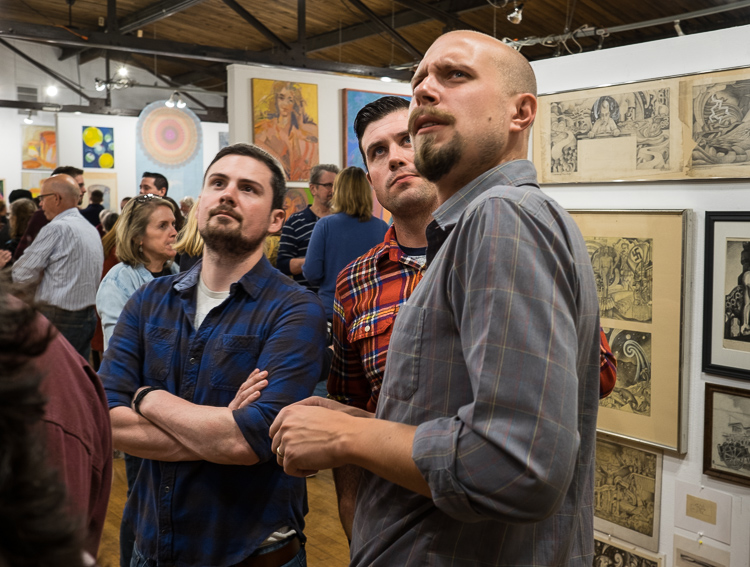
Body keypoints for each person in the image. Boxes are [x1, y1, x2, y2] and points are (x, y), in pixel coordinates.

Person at [270, 31, 601, 566]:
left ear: (520, 112)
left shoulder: (502, 216)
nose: (424, 90)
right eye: (419, 79)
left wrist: (351, 434)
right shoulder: (475, 227)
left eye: (455, 75)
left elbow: (515, 467)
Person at [99, 143, 327, 567]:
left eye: (248, 188)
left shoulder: (296, 309)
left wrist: (148, 398)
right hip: (150, 548)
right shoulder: (149, 301)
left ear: (277, 219)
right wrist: (222, 428)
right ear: (200, 202)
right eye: (217, 183)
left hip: (251, 552)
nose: (227, 194)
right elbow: (105, 419)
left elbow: (250, 440)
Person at [12, 174, 103, 359]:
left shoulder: (56, 228)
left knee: (52, 379)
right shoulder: (89, 228)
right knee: (76, 377)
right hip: (87, 316)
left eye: (42, 198)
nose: (40, 205)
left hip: (58, 317)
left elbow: (20, 274)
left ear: (56, 198)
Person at [302, 166, 388, 322]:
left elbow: (312, 273)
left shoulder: (325, 225)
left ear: (338, 191)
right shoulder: (383, 228)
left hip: (332, 311)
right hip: (370, 312)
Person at [97, 194, 179, 350]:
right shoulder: (118, 283)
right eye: (163, 225)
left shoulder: (177, 273)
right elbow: (119, 353)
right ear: (137, 236)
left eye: (173, 224)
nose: (174, 232)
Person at [277, 163, 339, 290]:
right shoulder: (295, 222)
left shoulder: (342, 221)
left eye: (336, 186)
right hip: (307, 299)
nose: (333, 190)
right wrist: (316, 261)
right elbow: (283, 265)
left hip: (339, 299)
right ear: (313, 189)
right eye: (328, 185)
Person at [13, 166, 86, 260]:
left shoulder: (80, 214)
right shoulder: (43, 216)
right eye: (80, 185)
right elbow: (22, 256)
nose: (84, 190)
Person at [254, 81, 319, 181]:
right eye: (281, 98)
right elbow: (253, 145)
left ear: (295, 104)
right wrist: (277, 159)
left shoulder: (298, 132)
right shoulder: (267, 127)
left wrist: (301, 124)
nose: (285, 104)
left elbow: (318, 138)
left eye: (290, 100)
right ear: (275, 100)